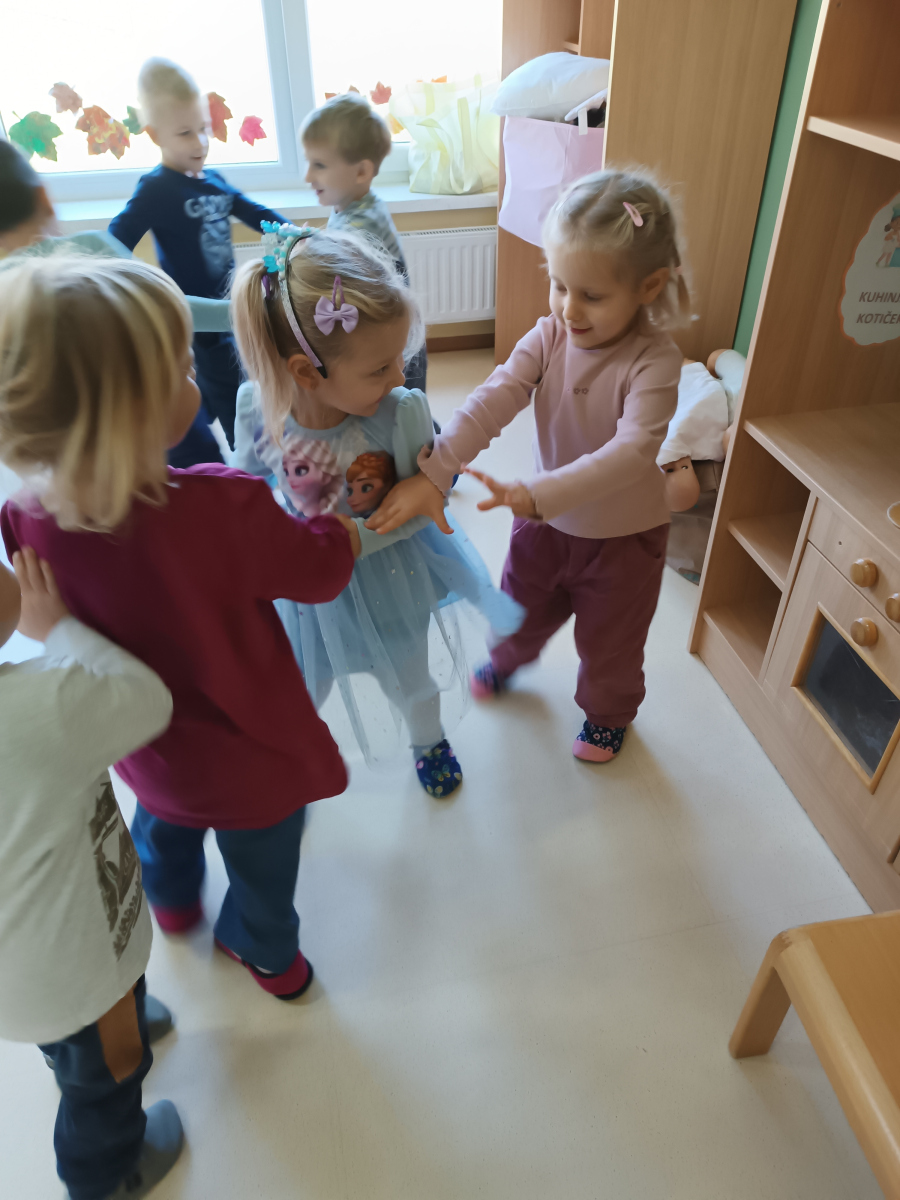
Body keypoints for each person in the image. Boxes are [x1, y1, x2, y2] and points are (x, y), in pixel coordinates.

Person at [0, 253, 360, 1001]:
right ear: (132, 415)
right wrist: (335, 524)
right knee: (265, 857)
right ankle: (267, 952)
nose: (196, 373)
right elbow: (321, 573)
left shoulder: (24, 519)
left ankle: (169, 901)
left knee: (163, 822)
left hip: (144, 750)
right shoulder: (226, 506)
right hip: (252, 753)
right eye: (181, 366)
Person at [367, 169, 689, 764]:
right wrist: (438, 470)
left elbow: (632, 451)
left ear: (649, 286)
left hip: (621, 540)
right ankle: (509, 659)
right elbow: (494, 397)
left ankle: (607, 715)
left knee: (611, 644)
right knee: (518, 610)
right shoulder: (549, 336)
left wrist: (539, 493)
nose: (569, 308)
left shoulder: (655, 361)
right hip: (542, 525)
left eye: (592, 295)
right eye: (559, 285)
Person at [230, 224, 521, 795]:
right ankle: (287, 750)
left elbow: (425, 505)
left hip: (392, 578)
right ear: (306, 372)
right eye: (379, 368)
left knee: (411, 679)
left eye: (398, 361)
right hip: (308, 595)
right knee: (303, 682)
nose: (399, 377)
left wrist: (360, 540)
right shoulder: (257, 409)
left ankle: (428, 742)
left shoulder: (401, 414)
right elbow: (245, 489)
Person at [0, 549, 183, 1200]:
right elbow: (146, 699)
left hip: (23, 979)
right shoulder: (41, 703)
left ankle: (80, 1049)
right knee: (109, 1076)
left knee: (72, 1042)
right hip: (81, 974)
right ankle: (104, 1175)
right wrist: (60, 629)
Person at [0, 135, 230, 469]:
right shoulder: (92, 248)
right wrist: (240, 312)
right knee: (201, 485)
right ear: (44, 197)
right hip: (161, 407)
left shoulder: (5, 290)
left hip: (78, 449)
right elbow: (167, 305)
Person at [108, 59, 287, 463]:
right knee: (237, 401)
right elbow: (116, 240)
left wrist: (294, 234)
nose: (200, 142)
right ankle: (245, 470)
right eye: (185, 133)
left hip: (226, 310)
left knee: (206, 398)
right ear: (155, 135)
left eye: (203, 128)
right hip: (192, 319)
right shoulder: (156, 188)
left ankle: (195, 462)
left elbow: (254, 212)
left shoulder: (215, 180)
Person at [301, 92, 428, 395]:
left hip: (392, 345)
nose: (308, 176)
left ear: (361, 172)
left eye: (319, 165)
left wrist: (311, 248)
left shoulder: (363, 225)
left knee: (402, 407)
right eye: (308, 162)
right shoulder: (356, 204)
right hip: (392, 335)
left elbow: (345, 256)